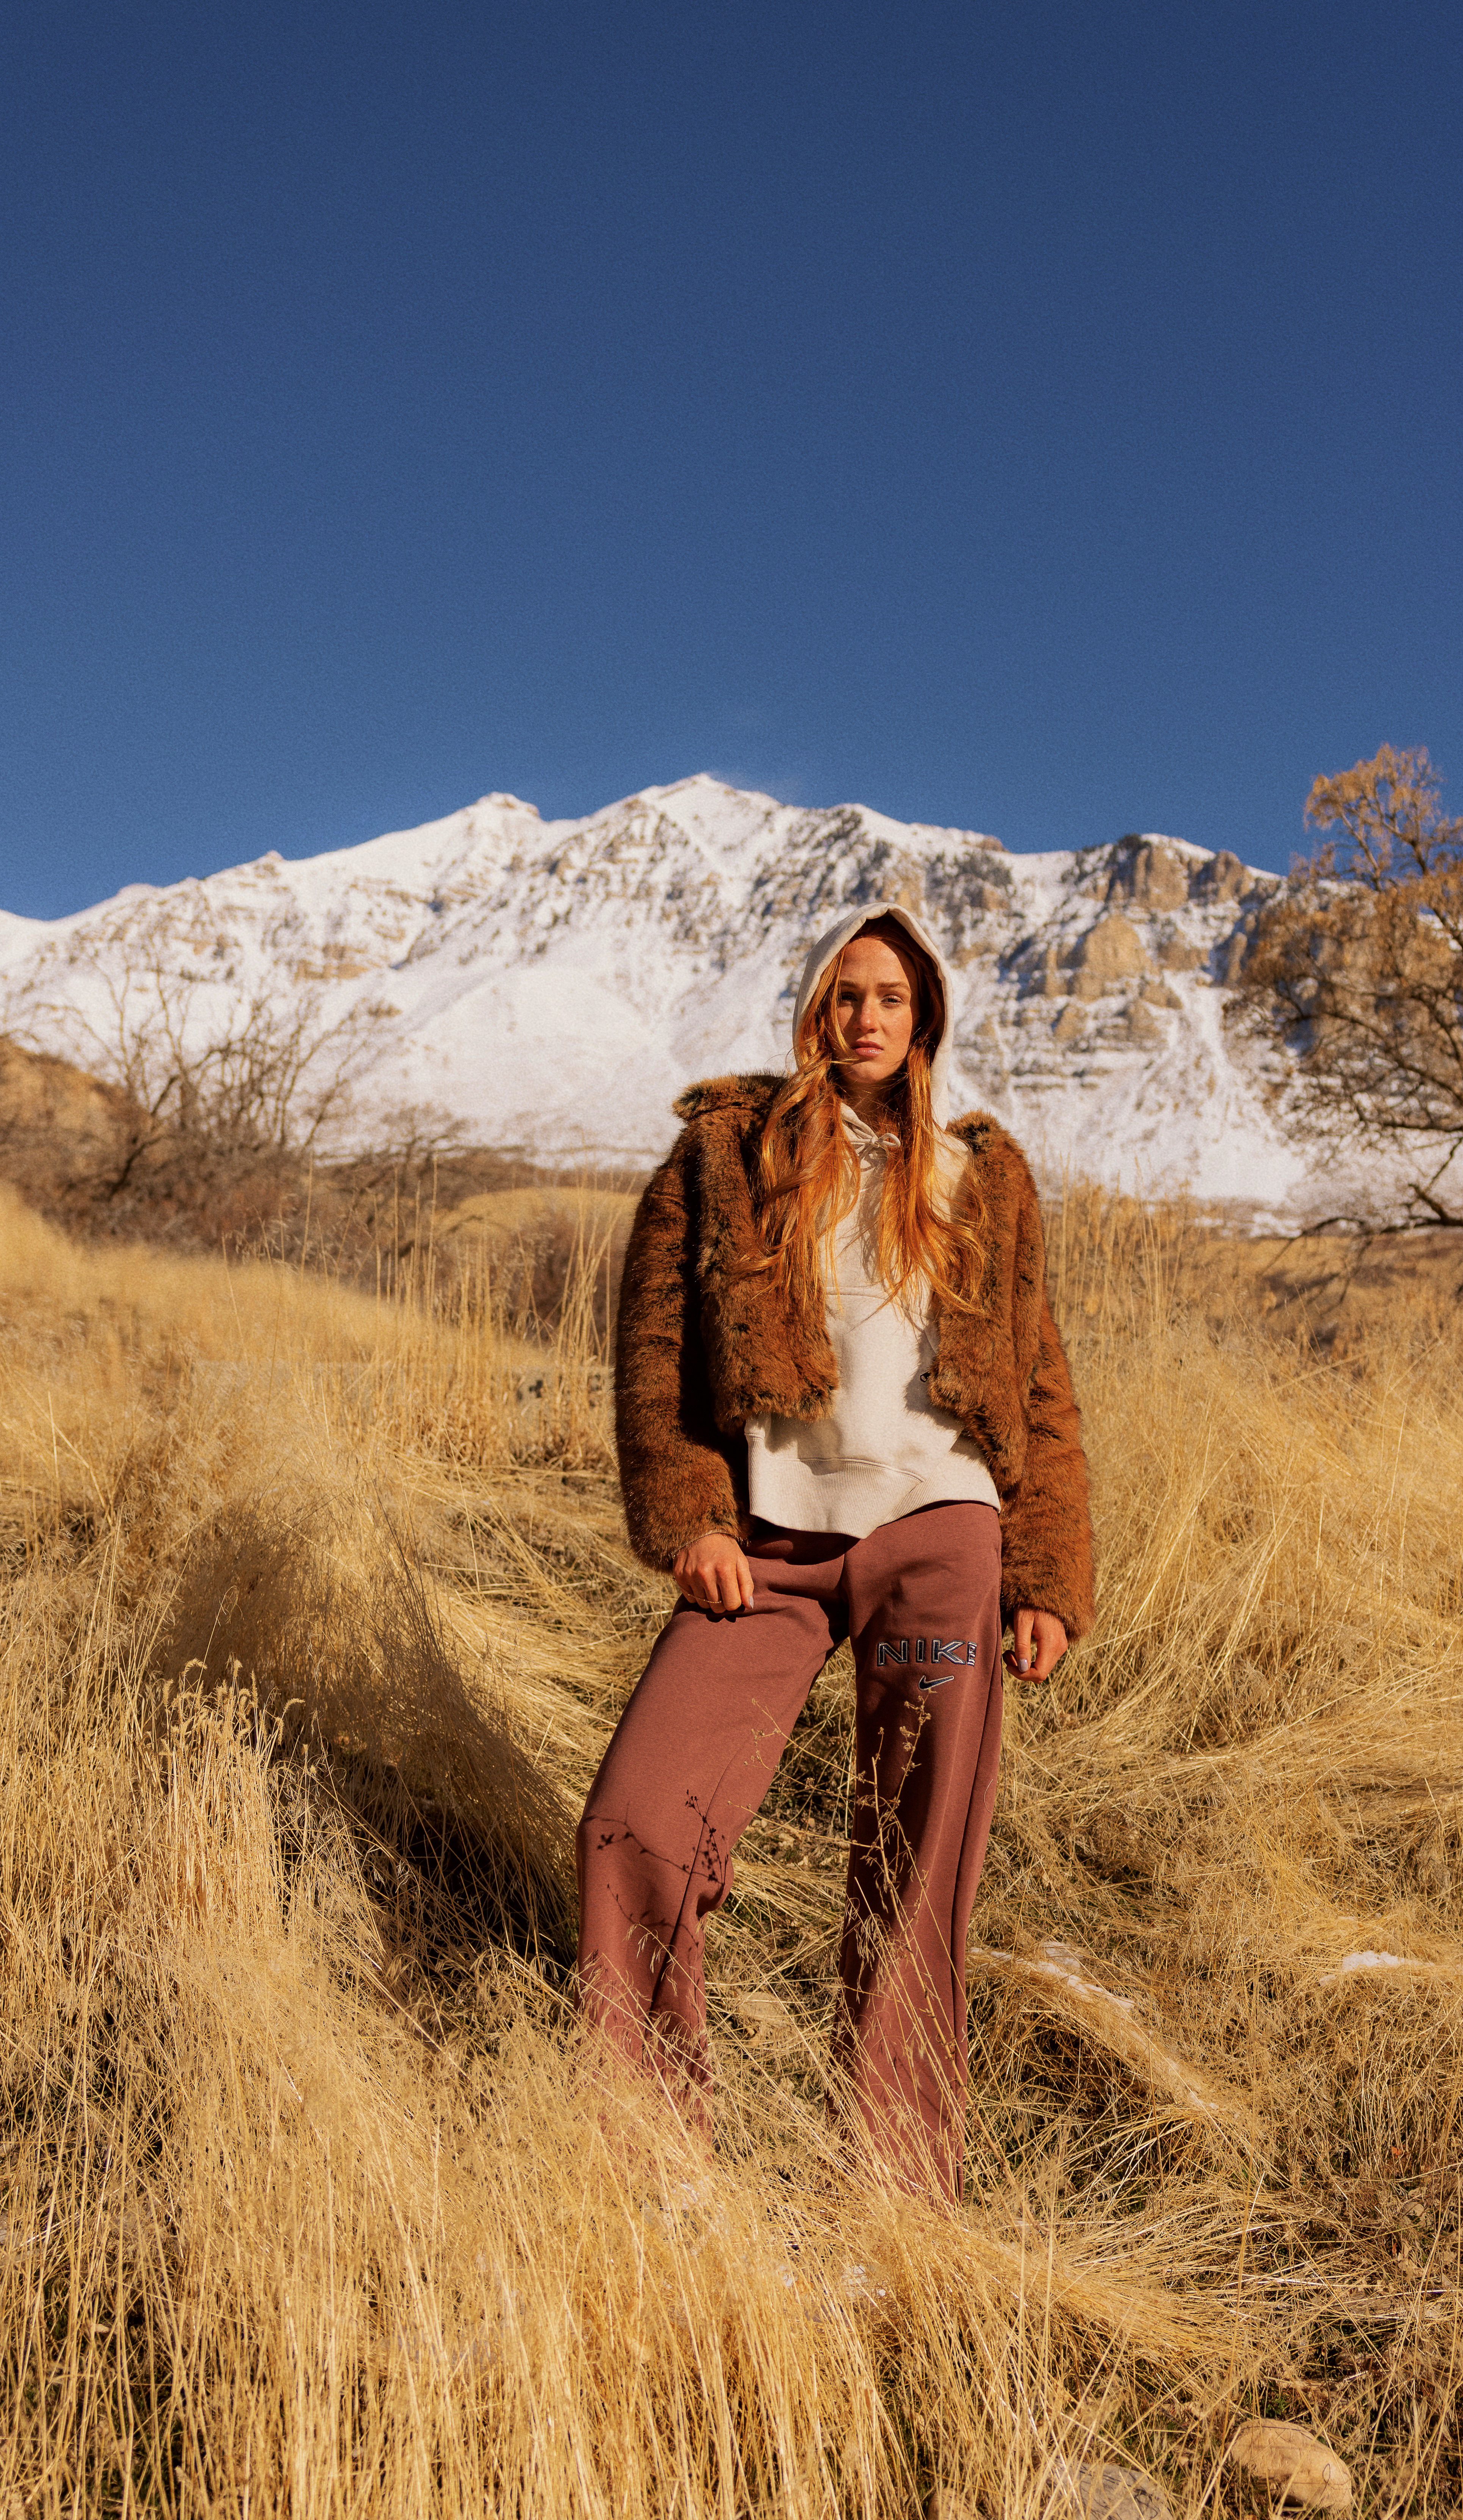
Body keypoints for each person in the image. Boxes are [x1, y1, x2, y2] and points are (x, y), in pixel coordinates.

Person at [576, 903, 1093, 2197]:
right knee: (638, 1818)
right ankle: (645, 2161)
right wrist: (690, 1520)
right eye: (845, 994)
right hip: (770, 1542)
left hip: (943, 1534)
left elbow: (1037, 1388)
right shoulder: (722, 1155)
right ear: (814, 1008)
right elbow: (656, 1358)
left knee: (919, 1864)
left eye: (892, 999)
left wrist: (1045, 1581)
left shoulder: (983, 1177)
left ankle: (895, 2190)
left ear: (925, 1022)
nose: (866, 1016)